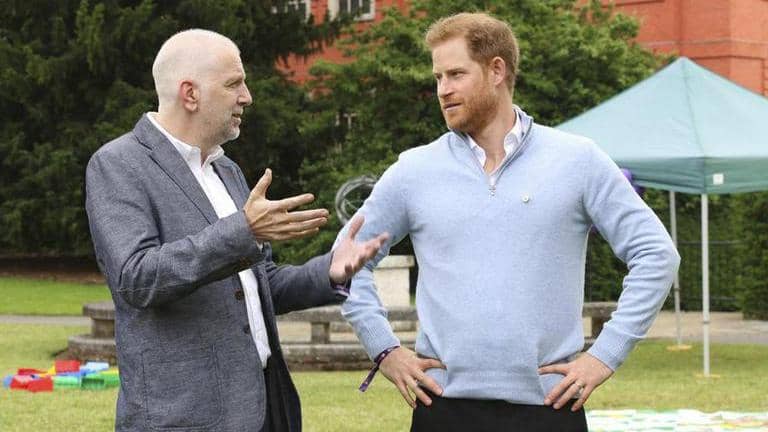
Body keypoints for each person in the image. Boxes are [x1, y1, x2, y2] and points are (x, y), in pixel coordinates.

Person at [336, 12, 680, 432]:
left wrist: (605, 355)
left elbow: (657, 254)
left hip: (550, 407)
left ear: (496, 70)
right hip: (443, 409)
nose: (443, 89)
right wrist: (385, 350)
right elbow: (345, 261)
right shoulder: (414, 170)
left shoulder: (577, 160)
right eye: (438, 77)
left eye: (456, 74)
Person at [85, 29, 387, 432]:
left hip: (263, 407)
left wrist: (328, 271)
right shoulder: (118, 165)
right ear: (190, 94)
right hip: (184, 419)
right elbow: (137, 279)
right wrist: (242, 230)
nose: (247, 96)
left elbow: (259, 284)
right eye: (234, 84)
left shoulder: (226, 169)